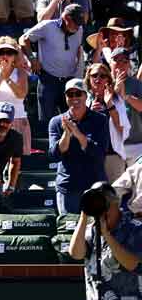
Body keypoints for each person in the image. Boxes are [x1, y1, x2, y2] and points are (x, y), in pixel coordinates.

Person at [69, 183, 142, 300]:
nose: (101, 210)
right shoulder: (90, 230)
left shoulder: (135, 229)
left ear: (116, 204)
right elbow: (76, 253)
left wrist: (107, 235)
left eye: (104, 204)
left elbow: (132, 264)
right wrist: (84, 215)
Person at [50, 78, 109, 214]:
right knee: (68, 232)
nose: (74, 98)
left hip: (94, 186)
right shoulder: (56, 122)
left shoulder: (100, 119)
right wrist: (66, 133)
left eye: (78, 93)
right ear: (65, 97)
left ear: (85, 95)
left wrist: (77, 133)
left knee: (96, 232)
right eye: (70, 94)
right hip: (68, 186)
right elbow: (55, 154)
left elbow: (99, 153)